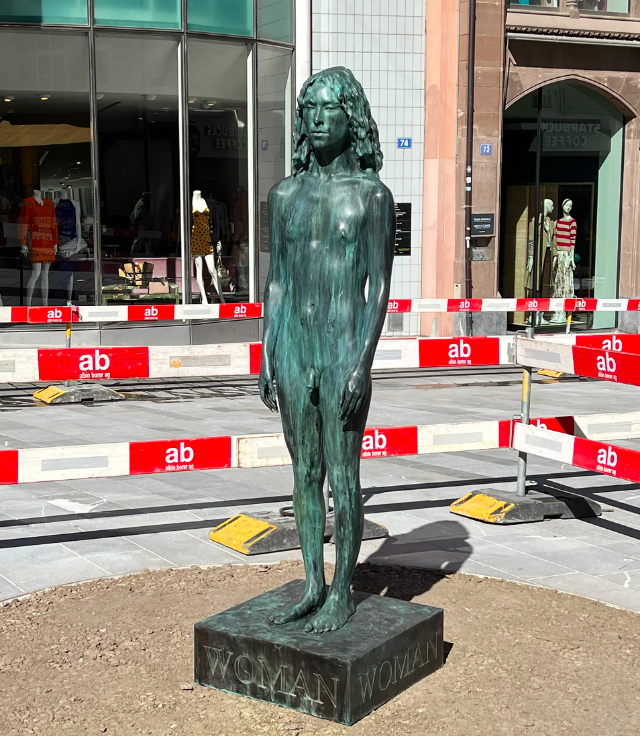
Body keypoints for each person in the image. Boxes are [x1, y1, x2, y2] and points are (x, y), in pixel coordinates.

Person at [259, 67, 395, 634]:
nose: (316, 119)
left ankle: (343, 590)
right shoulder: (284, 195)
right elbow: (276, 281)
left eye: (328, 109)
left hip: (341, 347)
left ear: (352, 118)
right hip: (293, 344)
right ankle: (312, 582)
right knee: (303, 470)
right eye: (308, 108)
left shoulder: (372, 197)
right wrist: (267, 351)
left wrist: (362, 364)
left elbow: (379, 287)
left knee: (343, 476)